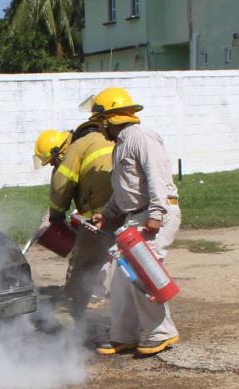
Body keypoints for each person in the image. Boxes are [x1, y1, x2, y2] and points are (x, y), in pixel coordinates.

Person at [88, 86, 182, 357]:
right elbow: (125, 190)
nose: (99, 129)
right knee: (120, 278)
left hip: (156, 214)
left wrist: (155, 214)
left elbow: (157, 178)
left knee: (144, 274)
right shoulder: (120, 146)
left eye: (100, 122)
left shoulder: (142, 137)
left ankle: (161, 333)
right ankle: (123, 335)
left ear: (108, 119)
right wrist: (106, 213)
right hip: (136, 215)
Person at [32, 120, 115, 318]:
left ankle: (68, 316)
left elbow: (61, 187)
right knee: (114, 254)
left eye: (52, 161)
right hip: (121, 206)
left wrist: (56, 216)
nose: (53, 165)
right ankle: (103, 295)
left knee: (83, 260)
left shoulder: (74, 150)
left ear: (58, 150)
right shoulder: (100, 139)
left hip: (100, 211)